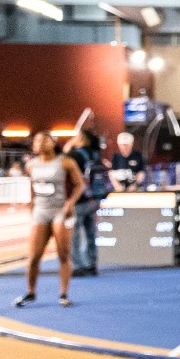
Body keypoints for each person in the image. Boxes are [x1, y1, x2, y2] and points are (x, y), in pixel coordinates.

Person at [16, 131, 84, 308]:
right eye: (37, 141)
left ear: (53, 142)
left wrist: (70, 203)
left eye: (44, 140)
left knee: (63, 254)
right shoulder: (31, 165)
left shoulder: (65, 162)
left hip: (60, 211)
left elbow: (80, 184)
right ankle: (30, 292)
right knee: (33, 257)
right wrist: (31, 205)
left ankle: (63, 293)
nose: (39, 143)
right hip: (41, 211)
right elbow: (32, 186)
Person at [63, 128, 107, 277]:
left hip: (80, 198)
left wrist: (68, 148)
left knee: (74, 234)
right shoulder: (95, 154)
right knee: (90, 232)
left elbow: (63, 166)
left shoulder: (75, 154)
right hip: (95, 197)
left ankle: (77, 266)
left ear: (81, 138)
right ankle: (91, 264)